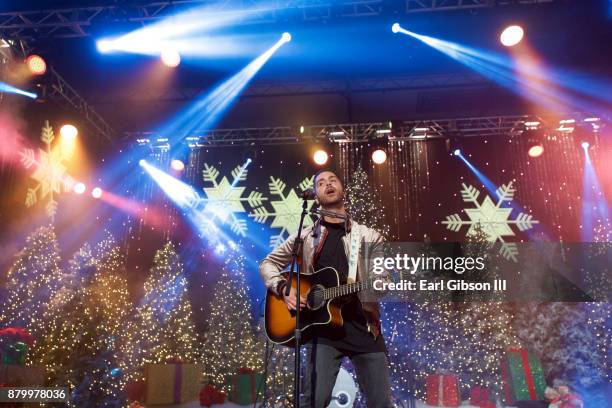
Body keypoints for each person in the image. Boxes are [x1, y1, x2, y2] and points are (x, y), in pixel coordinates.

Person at [259, 168, 393, 407]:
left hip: (364, 327)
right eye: (321, 183)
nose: (328, 184)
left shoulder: (369, 237)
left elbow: (381, 281)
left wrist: (378, 283)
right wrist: (283, 289)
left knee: (380, 403)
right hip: (322, 330)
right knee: (314, 401)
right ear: (316, 195)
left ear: (342, 189)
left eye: (333, 180)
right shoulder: (305, 236)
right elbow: (268, 263)